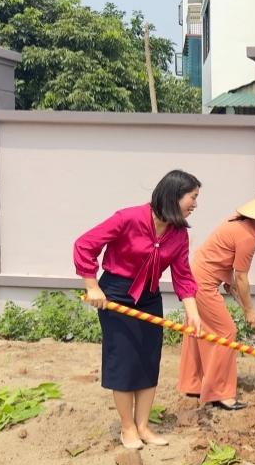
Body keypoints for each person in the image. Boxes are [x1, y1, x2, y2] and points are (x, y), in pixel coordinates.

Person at [74, 169, 203, 450]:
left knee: (148, 358)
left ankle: (143, 425)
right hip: (117, 295)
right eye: (192, 198)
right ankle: (127, 426)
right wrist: (93, 286)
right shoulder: (127, 218)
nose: (195, 204)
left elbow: (182, 274)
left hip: (149, 297)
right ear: (174, 196)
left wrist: (192, 310)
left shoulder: (178, 234)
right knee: (124, 358)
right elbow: (84, 245)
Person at [178, 191, 255, 410]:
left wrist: (226, 278)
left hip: (197, 274)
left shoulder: (237, 221)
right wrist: (249, 311)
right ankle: (220, 393)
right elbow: (242, 278)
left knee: (198, 329)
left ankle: (193, 384)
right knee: (226, 333)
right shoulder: (248, 238)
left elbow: (222, 255)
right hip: (203, 282)